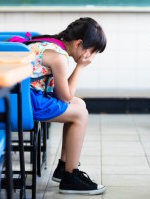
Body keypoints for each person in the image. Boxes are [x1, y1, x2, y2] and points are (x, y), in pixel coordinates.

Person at [27, 17, 107, 195]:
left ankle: (64, 167)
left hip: (20, 96)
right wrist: (80, 67)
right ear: (79, 43)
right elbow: (65, 96)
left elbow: (63, 94)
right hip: (27, 101)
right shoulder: (59, 57)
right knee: (80, 114)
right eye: (92, 52)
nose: (92, 57)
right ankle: (71, 177)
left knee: (79, 104)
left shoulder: (50, 43)